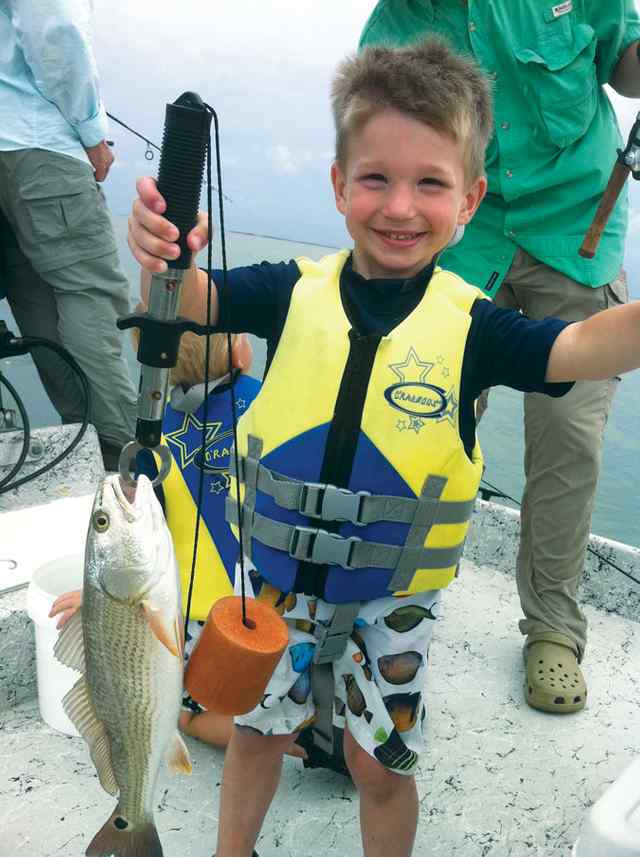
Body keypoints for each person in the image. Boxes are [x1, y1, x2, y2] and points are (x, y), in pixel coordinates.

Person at [127, 39, 640, 857]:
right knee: (258, 737)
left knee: (380, 768)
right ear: (338, 185)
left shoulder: (476, 328)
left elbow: (581, 346)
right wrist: (164, 244)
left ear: (469, 200)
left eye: (430, 183)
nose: (400, 206)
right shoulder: (290, 292)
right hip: (275, 594)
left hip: (392, 606)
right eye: (376, 179)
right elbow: (193, 296)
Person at [359, 0, 640, 715]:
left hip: (577, 228)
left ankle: (552, 628)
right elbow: (375, 131)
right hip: (462, 236)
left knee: (569, 440)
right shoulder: (397, 19)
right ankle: (386, 607)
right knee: (416, 422)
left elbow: (627, 62)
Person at [0, 0, 138, 470]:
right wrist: (92, 131)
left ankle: (80, 441)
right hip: (36, 142)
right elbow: (56, 24)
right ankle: (120, 462)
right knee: (90, 293)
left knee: (33, 297)